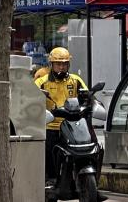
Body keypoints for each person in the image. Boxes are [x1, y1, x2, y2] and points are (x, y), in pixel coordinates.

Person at [37, 47, 87, 180]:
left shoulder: (75, 80)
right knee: (49, 156)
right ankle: (51, 181)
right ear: (51, 64)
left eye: (64, 64)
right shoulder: (42, 81)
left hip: (72, 126)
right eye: (58, 64)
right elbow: (29, 97)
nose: (61, 67)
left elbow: (87, 96)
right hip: (51, 125)